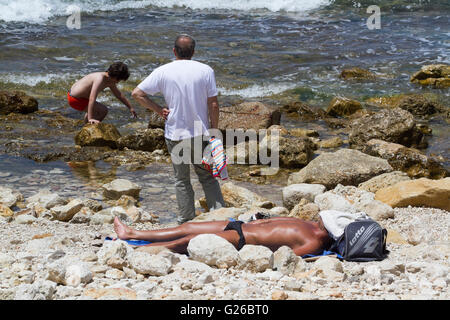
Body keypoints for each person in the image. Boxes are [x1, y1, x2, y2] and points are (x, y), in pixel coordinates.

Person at [132, 34, 225, 224]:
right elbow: (214, 105)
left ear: (174, 51)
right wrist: (214, 131)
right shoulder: (205, 70)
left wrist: (159, 109)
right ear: (193, 52)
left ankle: (186, 219)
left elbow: (137, 93)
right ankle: (219, 217)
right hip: (200, 133)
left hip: (175, 133)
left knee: (181, 179)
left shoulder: (163, 71)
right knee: (207, 178)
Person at [113, 216, 333, 257]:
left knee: (188, 242)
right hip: (241, 225)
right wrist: (252, 222)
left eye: (324, 220)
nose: (320, 218)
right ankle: (132, 233)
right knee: (188, 226)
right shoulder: (309, 224)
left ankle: (139, 250)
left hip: (244, 240)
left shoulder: (313, 242)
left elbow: (285, 256)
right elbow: (268, 221)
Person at [68, 62, 137, 124]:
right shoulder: (100, 78)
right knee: (103, 110)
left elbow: (119, 95)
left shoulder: (110, 80)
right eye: (118, 80)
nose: (118, 82)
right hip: (75, 99)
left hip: (77, 97)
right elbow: (92, 98)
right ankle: (89, 125)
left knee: (97, 109)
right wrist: (90, 118)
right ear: (115, 76)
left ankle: (86, 125)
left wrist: (130, 107)